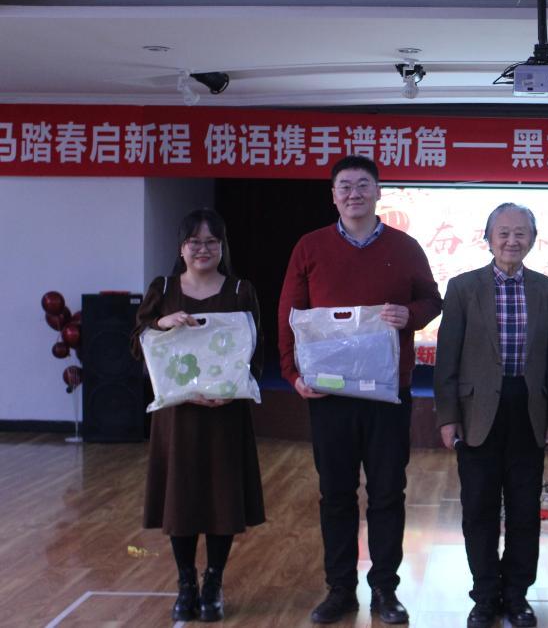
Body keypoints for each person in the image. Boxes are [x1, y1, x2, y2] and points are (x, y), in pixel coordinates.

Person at [278, 155, 441, 625]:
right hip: (330, 395)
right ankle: (340, 590)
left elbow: (432, 299)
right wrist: (291, 373)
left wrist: (410, 315)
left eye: (363, 185)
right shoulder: (309, 246)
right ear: (333, 195)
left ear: (378, 192)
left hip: (388, 392)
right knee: (336, 494)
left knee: (388, 492)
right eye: (345, 186)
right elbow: (289, 312)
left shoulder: (405, 247)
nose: (354, 193)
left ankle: (385, 590)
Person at [433, 202, 548, 628]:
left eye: (520, 232)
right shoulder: (462, 287)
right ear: (488, 238)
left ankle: (517, 595)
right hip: (477, 413)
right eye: (503, 232)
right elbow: (446, 357)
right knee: (479, 509)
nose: (512, 240)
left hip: (529, 409)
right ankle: (485, 595)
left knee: (525, 510)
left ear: (533, 239)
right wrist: (447, 416)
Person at [132, 208, 265, 623]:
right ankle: (186, 582)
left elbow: (255, 352)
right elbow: (138, 344)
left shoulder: (241, 290)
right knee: (182, 500)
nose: (203, 249)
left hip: (225, 416)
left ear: (222, 247)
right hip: (178, 419)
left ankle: (213, 581)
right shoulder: (163, 288)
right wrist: (161, 323)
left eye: (211, 242)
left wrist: (230, 392)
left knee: (222, 499)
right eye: (194, 242)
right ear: (181, 248)